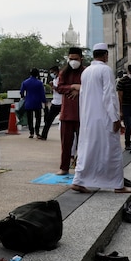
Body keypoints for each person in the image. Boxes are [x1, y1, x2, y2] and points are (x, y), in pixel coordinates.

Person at [71, 43, 131, 194]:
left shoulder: (86, 72)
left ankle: (79, 180)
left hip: (88, 118)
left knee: (87, 148)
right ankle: (118, 185)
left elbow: (83, 96)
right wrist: (115, 118)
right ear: (105, 55)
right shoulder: (105, 70)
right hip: (104, 118)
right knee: (112, 149)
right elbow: (109, 96)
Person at [55, 47, 85, 175]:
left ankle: (81, 168)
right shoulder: (64, 73)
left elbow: (90, 88)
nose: (73, 61)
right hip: (66, 114)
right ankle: (64, 167)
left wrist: (80, 89)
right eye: (71, 59)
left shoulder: (86, 72)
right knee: (66, 144)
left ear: (81, 59)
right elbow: (59, 88)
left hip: (82, 114)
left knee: (83, 144)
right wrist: (73, 87)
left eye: (76, 59)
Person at [20, 68, 47, 139]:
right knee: (38, 118)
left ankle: (31, 132)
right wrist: (44, 101)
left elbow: (21, 92)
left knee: (30, 118)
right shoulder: (39, 83)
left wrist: (23, 97)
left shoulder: (25, 82)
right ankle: (37, 132)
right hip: (37, 102)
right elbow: (42, 94)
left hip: (28, 102)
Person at [40, 65, 62, 140]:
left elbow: (62, 90)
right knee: (48, 120)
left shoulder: (61, 79)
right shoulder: (55, 80)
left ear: (56, 71)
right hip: (55, 102)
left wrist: (53, 87)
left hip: (61, 103)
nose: (51, 74)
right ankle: (44, 135)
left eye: (52, 72)